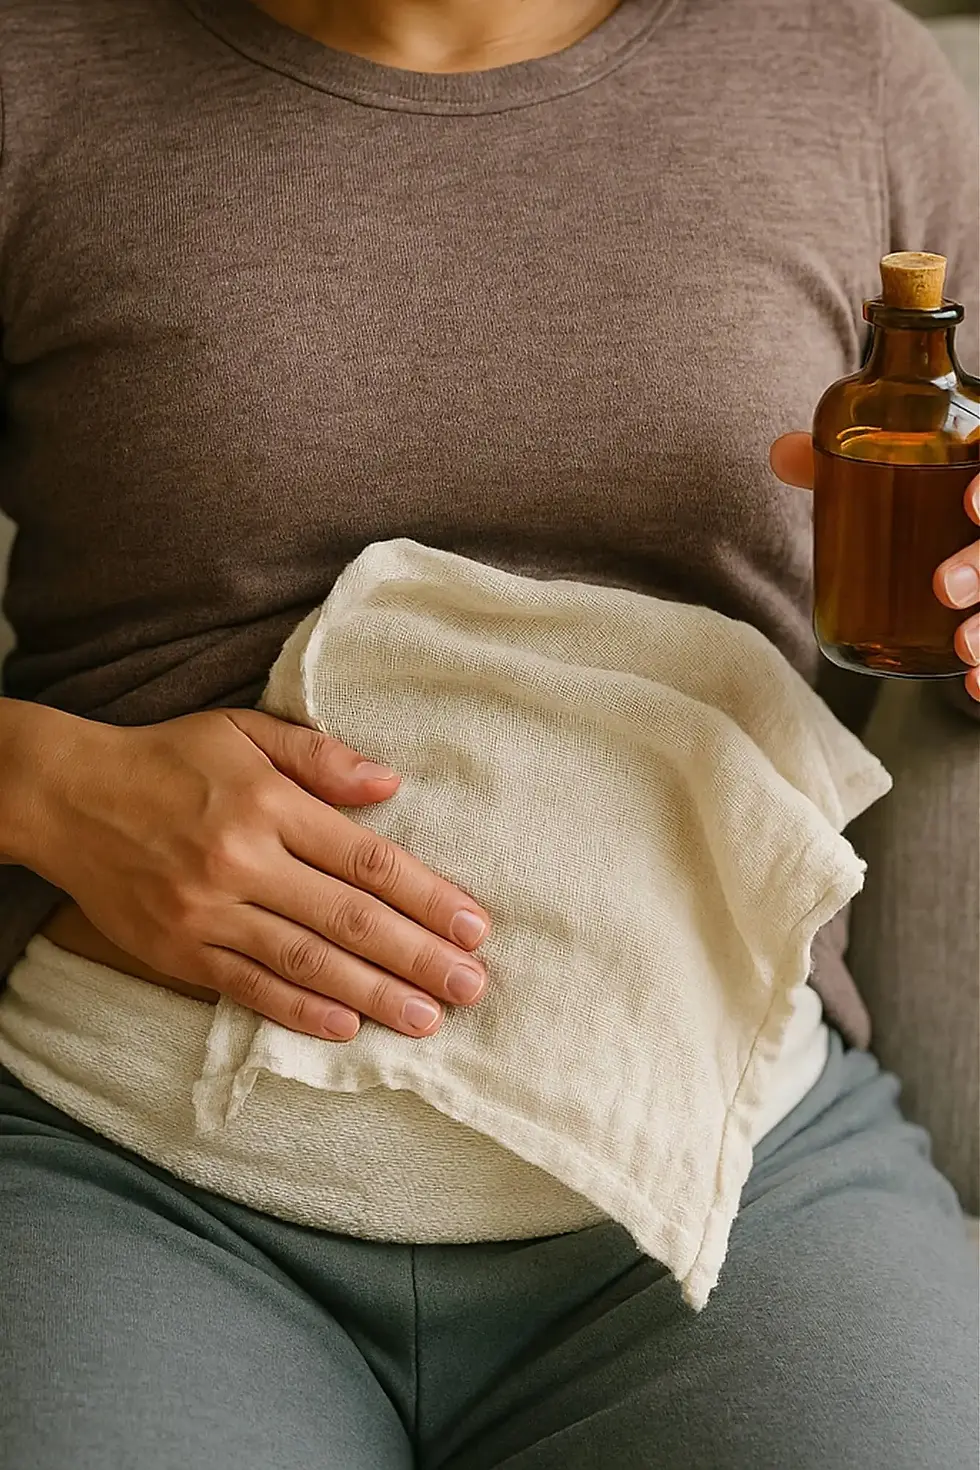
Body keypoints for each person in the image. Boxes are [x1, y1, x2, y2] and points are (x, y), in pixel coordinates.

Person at [0, 0, 978, 1466]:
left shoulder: (851, 73)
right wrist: (44, 784)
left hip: (735, 1187)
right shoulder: (37, 70)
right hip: (134, 1169)